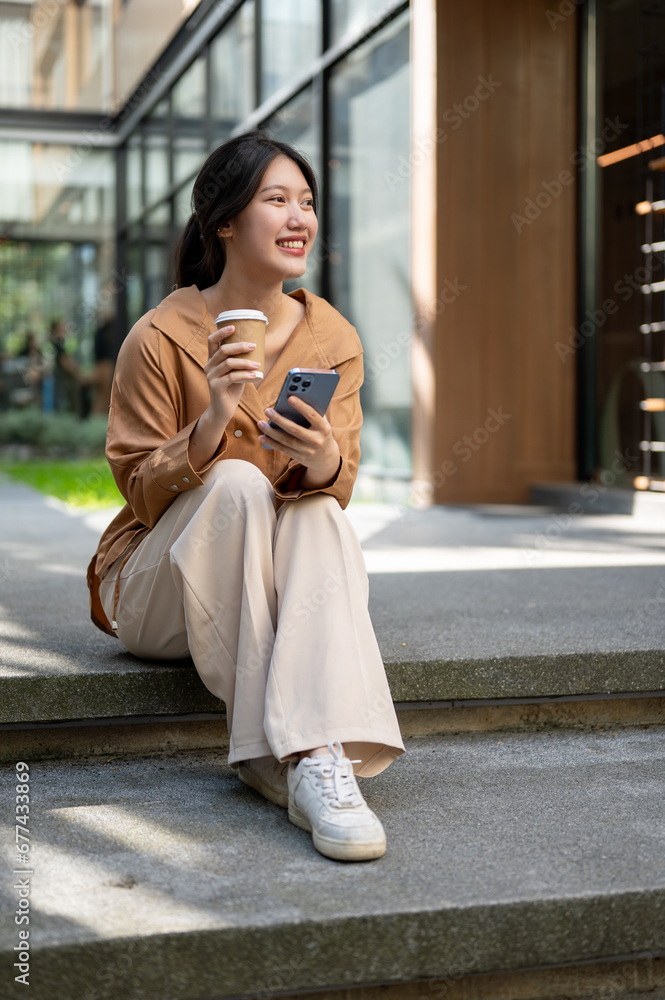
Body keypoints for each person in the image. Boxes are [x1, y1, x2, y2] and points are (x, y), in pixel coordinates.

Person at [86, 131, 405, 862]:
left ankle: (314, 760)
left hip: (261, 579)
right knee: (232, 480)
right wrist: (209, 422)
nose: (300, 217)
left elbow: (340, 483)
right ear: (225, 221)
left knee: (318, 508)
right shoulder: (161, 335)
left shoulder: (333, 337)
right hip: (158, 591)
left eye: (307, 201)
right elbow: (138, 489)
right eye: (276, 200)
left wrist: (323, 458)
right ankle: (292, 749)